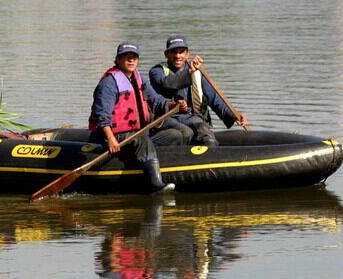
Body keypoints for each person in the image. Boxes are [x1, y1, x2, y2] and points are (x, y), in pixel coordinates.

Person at [89, 42, 187, 194]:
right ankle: (155, 184)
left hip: (137, 135)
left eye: (134, 57)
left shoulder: (139, 79)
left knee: (174, 135)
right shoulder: (109, 83)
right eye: (126, 57)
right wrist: (110, 138)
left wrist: (173, 105)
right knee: (142, 139)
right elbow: (102, 115)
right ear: (118, 59)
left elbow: (157, 101)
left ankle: (150, 165)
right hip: (116, 136)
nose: (131, 60)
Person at [149, 35, 249, 146]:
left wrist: (234, 116)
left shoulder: (197, 73)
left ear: (187, 54)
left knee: (200, 126)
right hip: (169, 120)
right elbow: (167, 84)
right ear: (166, 54)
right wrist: (189, 73)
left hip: (195, 118)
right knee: (197, 125)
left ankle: (212, 151)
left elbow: (214, 99)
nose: (177, 56)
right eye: (173, 52)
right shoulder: (156, 71)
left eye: (181, 52)